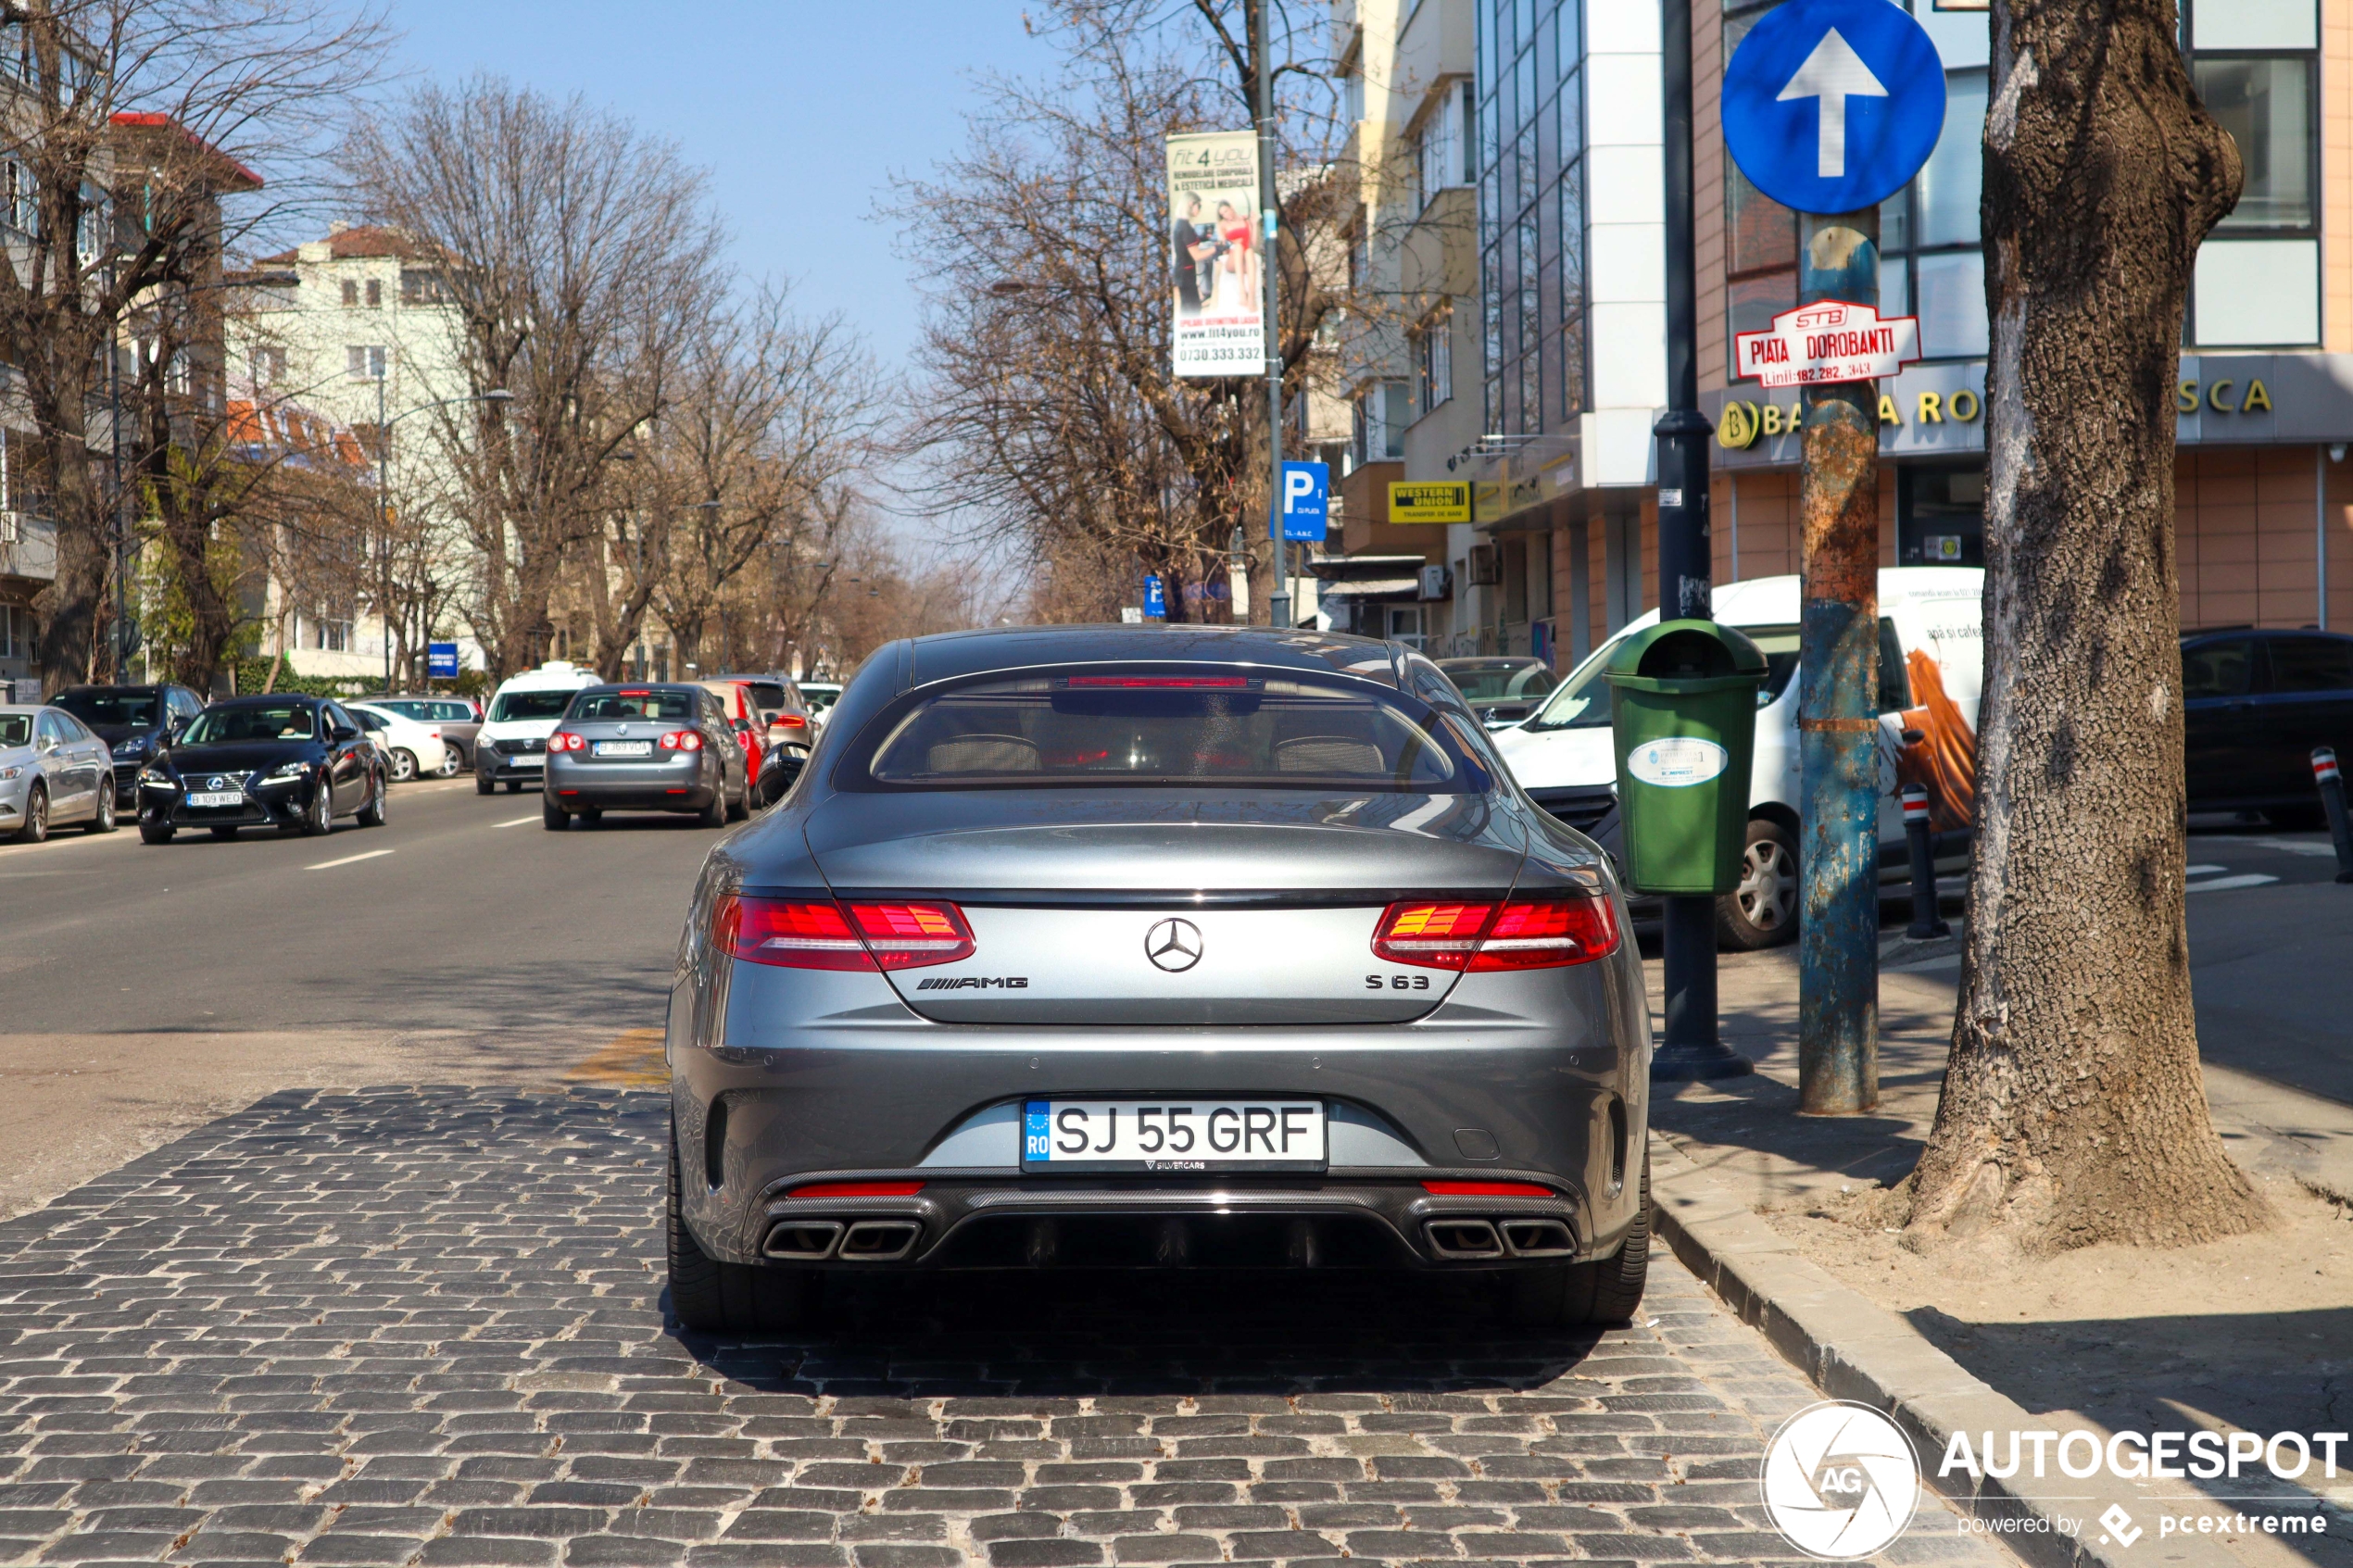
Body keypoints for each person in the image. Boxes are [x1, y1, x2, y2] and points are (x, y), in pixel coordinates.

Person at [1171, 194, 1220, 316]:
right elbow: (1197, 255)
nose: (1200, 209)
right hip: (1186, 275)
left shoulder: (1181, 224)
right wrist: (1216, 249)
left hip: (1183, 273)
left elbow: (1189, 244)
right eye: (1199, 206)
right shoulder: (1185, 227)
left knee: (1188, 308)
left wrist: (1205, 239)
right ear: (1190, 204)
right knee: (1192, 310)